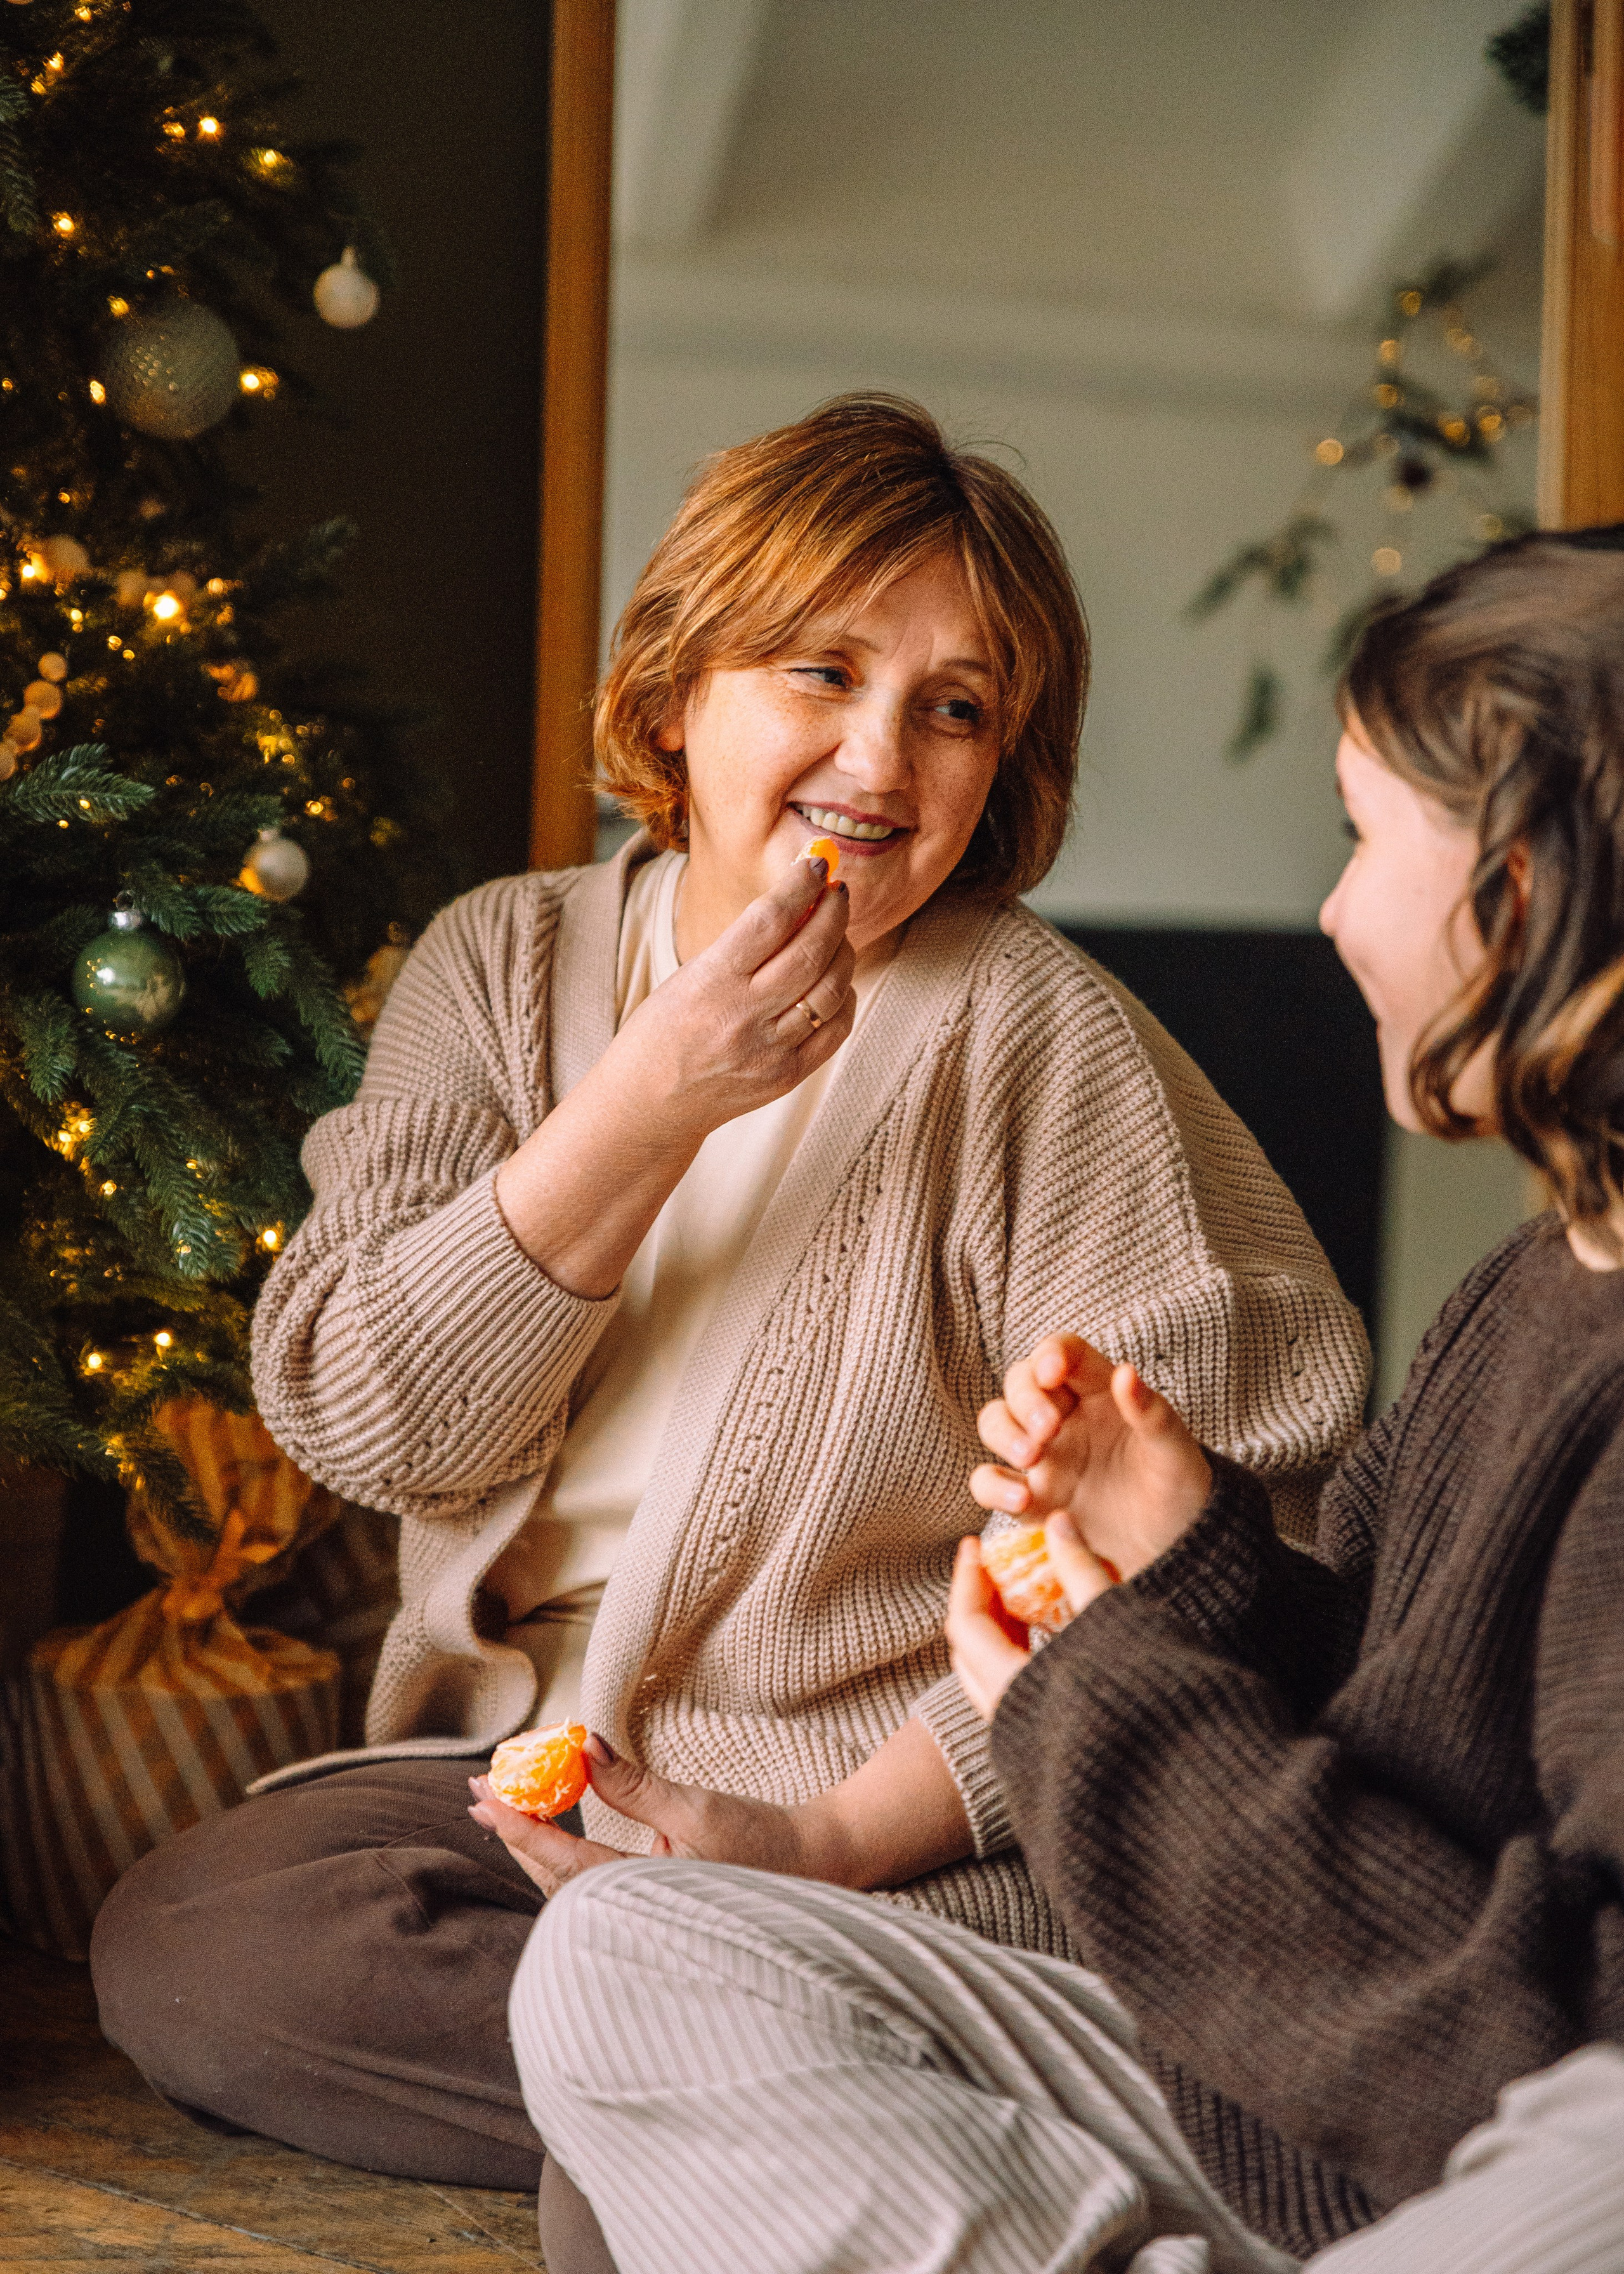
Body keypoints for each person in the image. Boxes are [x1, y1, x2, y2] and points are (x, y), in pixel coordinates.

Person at [90, 393, 1366, 2193]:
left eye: (956, 707)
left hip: (889, 1832)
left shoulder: (1031, 1030)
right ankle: (777, 2114)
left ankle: (746, 2094)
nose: (883, 757)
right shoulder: (501, 960)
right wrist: (648, 1100)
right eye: (820, 672)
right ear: (678, 697)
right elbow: (368, 1419)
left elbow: (1225, 1528)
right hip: (523, 1793)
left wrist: (822, 1841)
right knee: (203, 1947)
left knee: (736, 2042)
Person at [504, 528, 1624, 2274]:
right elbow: (1376, 1703)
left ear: (1534, 895)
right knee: (630, 1960)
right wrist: (1188, 1572)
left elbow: (1534, 2059)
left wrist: (1112, 1703)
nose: (1331, 910)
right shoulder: (1529, 1291)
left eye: (1361, 840)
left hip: (1486, 2143)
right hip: (1285, 2098)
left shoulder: (1037, 1031)